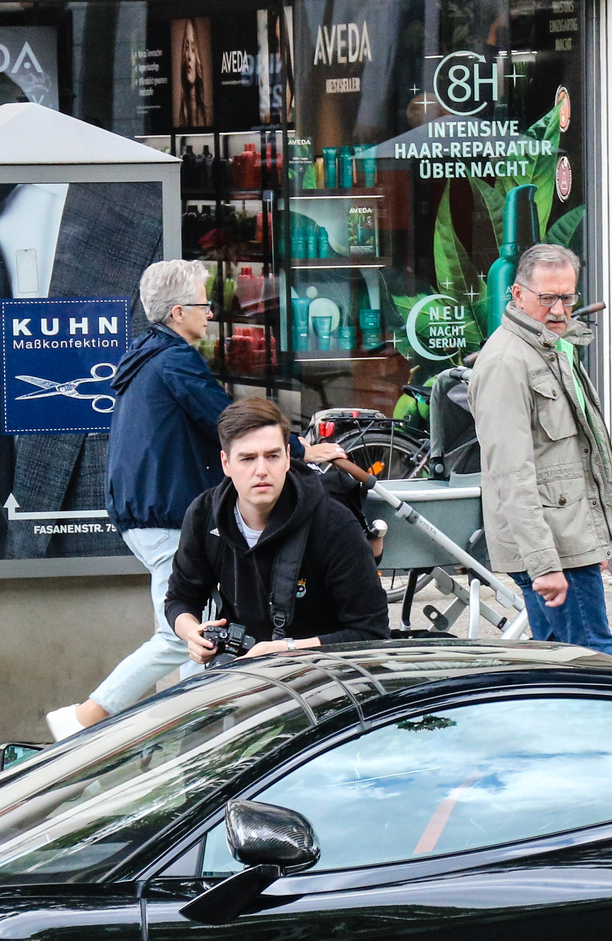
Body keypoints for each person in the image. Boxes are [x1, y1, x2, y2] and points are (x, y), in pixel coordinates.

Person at [46, 260, 342, 738]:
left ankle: (198, 733)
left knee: (202, 631)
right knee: (181, 632)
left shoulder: (146, 356)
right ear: (179, 311)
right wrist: (299, 450)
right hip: (168, 514)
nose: (211, 315)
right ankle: (82, 720)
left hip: (148, 512)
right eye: (205, 305)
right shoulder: (174, 361)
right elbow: (232, 424)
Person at [470, 243, 612, 654]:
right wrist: (545, 564)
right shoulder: (507, 362)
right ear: (518, 294)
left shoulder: (553, 348)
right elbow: (510, 473)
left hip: (568, 539)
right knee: (594, 661)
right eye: (547, 298)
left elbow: (579, 457)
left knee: (559, 661)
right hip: (552, 547)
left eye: (567, 296)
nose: (559, 309)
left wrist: (595, 542)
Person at [163, 398, 389, 666]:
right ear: (226, 463)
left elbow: (371, 633)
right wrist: (193, 634)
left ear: (287, 458)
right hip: (241, 671)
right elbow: (180, 598)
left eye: (272, 456)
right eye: (247, 458)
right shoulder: (204, 514)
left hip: (324, 672)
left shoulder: (334, 524)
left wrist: (286, 649)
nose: (261, 471)